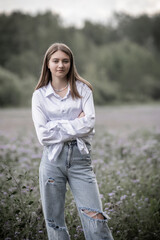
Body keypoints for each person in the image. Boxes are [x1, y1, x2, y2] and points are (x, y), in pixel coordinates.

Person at [32, 43, 114, 240]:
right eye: (56, 60)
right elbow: (43, 135)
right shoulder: (39, 96)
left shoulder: (83, 89)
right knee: (54, 224)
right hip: (52, 162)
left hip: (80, 162)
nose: (61, 65)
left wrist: (57, 126)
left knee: (95, 220)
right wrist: (76, 123)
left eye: (65, 61)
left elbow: (90, 123)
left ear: (71, 63)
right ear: (48, 64)